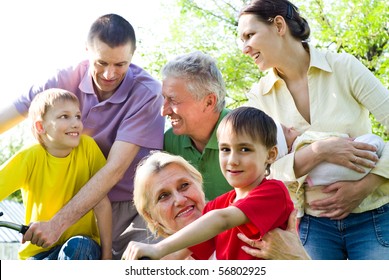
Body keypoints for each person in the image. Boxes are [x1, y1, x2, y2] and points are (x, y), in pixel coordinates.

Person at [0, 14, 165, 259]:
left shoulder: (147, 92)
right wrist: (57, 222)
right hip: (75, 205)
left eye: (120, 64)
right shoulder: (64, 79)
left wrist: (57, 224)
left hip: (130, 205)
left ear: (133, 54)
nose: (109, 74)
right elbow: (16, 110)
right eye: (101, 62)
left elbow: (114, 170)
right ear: (87, 50)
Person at [238, 0, 389, 259]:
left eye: (250, 35)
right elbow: (260, 170)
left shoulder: (344, 67)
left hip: (373, 217)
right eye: (242, 40)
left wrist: (367, 183)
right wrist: (319, 152)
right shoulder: (259, 97)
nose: (244, 48)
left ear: (278, 25)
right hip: (310, 226)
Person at [124, 107, 294, 260]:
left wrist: (158, 248)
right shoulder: (219, 205)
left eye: (245, 149)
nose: (232, 160)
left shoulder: (273, 192)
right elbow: (180, 253)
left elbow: (222, 220)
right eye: (225, 149)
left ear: (271, 155)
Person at [122, 151, 309, 260]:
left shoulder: (237, 214)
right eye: (163, 196)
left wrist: (297, 259)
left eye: (185, 185)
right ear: (151, 217)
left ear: (200, 186)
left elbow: (221, 219)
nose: (179, 199)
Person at [0, 88, 112, 260]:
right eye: (64, 116)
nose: (76, 123)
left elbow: (102, 204)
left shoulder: (88, 148)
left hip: (81, 248)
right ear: (41, 126)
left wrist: (107, 257)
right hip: (38, 253)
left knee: (80, 246)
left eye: (77, 116)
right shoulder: (29, 157)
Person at [275, 122, 385, 217]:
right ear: (287, 147)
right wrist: (345, 138)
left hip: (326, 192)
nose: (291, 127)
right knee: (374, 142)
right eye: (287, 131)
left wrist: (298, 214)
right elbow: (330, 138)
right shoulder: (304, 139)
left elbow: (296, 193)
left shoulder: (293, 166)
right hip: (362, 160)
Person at [162, 51, 231, 200]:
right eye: (164, 98)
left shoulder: (248, 131)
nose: (163, 111)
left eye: (173, 100)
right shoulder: (169, 142)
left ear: (209, 102)